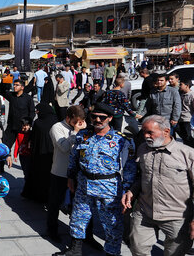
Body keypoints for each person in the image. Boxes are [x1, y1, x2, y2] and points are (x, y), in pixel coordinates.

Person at [121, 115, 194, 256]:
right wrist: (132, 191)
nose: (146, 136)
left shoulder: (189, 154)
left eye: (150, 132)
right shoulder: (143, 149)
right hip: (145, 212)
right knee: (137, 249)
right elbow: (142, 177)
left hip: (177, 216)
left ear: (166, 131)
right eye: (144, 132)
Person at [55, 103, 136, 256]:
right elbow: (74, 157)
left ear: (110, 118)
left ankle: (111, 253)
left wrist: (127, 191)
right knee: (78, 217)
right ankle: (75, 249)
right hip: (84, 184)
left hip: (108, 189)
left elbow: (130, 169)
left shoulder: (121, 140)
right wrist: (71, 177)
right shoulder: (83, 135)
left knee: (112, 224)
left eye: (102, 117)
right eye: (94, 116)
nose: (97, 120)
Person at [47, 105, 87, 242]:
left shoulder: (82, 128)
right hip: (60, 171)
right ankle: (52, 230)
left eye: (80, 121)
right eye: (76, 121)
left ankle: (81, 234)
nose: (78, 124)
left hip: (77, 173)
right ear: (68, 118)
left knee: (80, 205)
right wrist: (75, 132)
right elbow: (63, 147)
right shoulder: (57, 127)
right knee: (54, 203)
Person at [22, 102, 58, 203]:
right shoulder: (55, 121)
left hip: (38, 154)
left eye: (38, 110)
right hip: (51, 154)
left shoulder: (38, 122)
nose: (37, 112)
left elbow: (33, 138)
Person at [0, 78, 35, 154]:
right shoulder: (12, 96)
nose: (14, 86)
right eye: (14, 85)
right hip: (11, 127)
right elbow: (1, 91)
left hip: (23, 128)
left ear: (22, 87)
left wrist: (28, 124)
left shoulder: (28, 98)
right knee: (5, 146)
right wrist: (4, 80)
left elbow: (32, 112)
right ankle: (4, 160)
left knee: (24, 151)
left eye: (17, 85)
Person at [178, 79, 194, 148]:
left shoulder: (193, 95)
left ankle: (193, 150)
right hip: (180, 118)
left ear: (187, 86)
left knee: (188, 137)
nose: (179, 86)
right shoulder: (181, 94)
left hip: (188, 119)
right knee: (184, 136)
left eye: (181, 84)